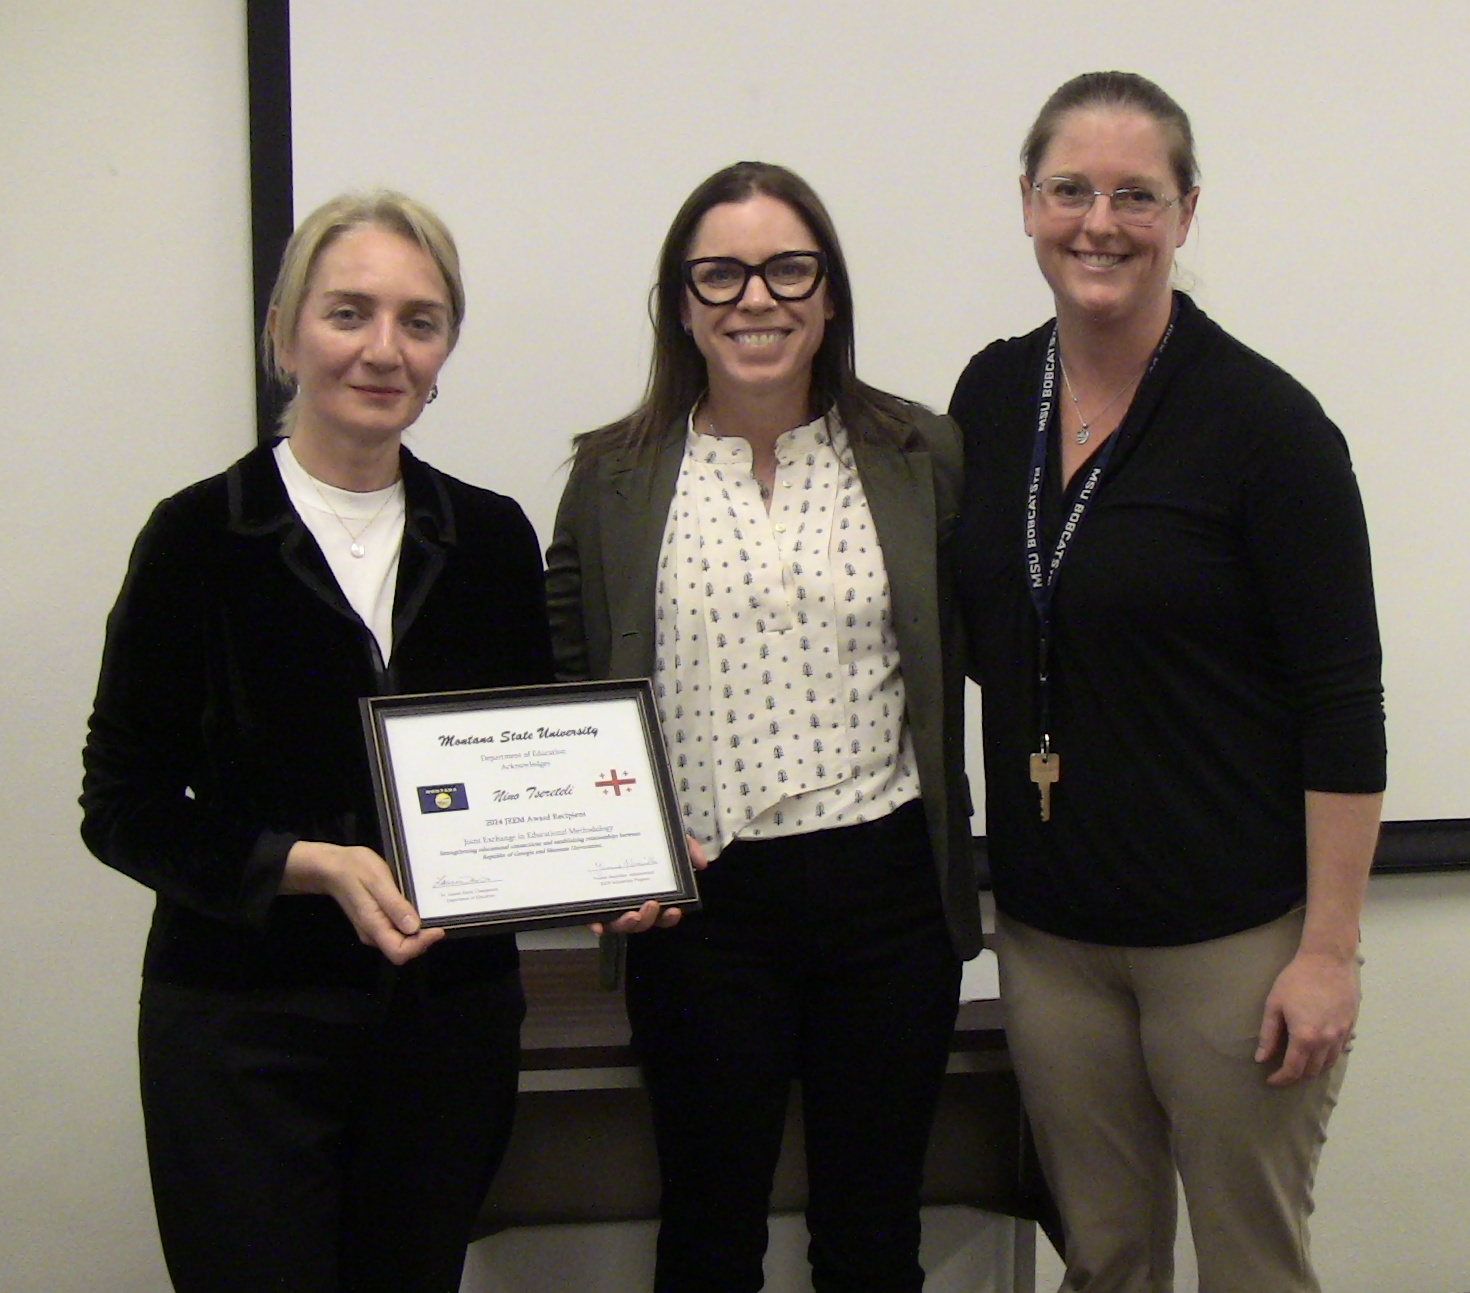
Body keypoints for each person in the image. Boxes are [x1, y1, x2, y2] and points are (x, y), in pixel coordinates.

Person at [949, 72, 1386, 1292]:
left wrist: (1330, 954)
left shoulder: (1268, 426)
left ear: (1186, 214)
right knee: (1106, 1260)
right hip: (1049, 939)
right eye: (1071, 190)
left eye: (1137, 195)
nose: (1102, 222)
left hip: (1233, 945)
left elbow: (1345, 704)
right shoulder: (989, 396)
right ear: (1027, 204)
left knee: (1249, 1266)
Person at [80, 191, 554, 1293]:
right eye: (350, 313)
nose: (384, 350)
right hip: (246, 1030)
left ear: (444, 353)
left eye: (420, 321)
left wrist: (614, 864)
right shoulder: (198, 534)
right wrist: (306, 867)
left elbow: (531, 766)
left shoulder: (489, 537)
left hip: (446, 1025)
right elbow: (123, 803)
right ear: (287, 331)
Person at [547, 160, 982, 1293]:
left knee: (873, 1234)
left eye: (790, 268)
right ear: (682, 304)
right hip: (703, 911)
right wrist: (606, 852)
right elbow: (567, 682)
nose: (757, 298)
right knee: (708, 1231)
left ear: (829, 294)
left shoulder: (918, 453)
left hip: (888, 896)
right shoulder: (613, 477)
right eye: (722, 274)